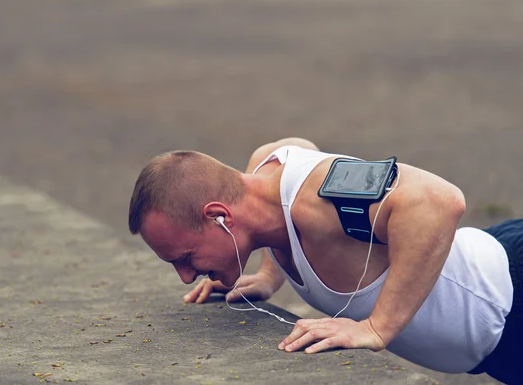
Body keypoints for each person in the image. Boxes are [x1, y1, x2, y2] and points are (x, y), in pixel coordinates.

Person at [128, 137, 519, 384]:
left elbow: (438, 201)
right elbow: (294, 145)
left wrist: (377, 328)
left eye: (186, 257)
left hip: (510, 297)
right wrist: (270, 273)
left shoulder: (321, 199)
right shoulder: (262, 174)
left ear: (220, 217)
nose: (185, 277)